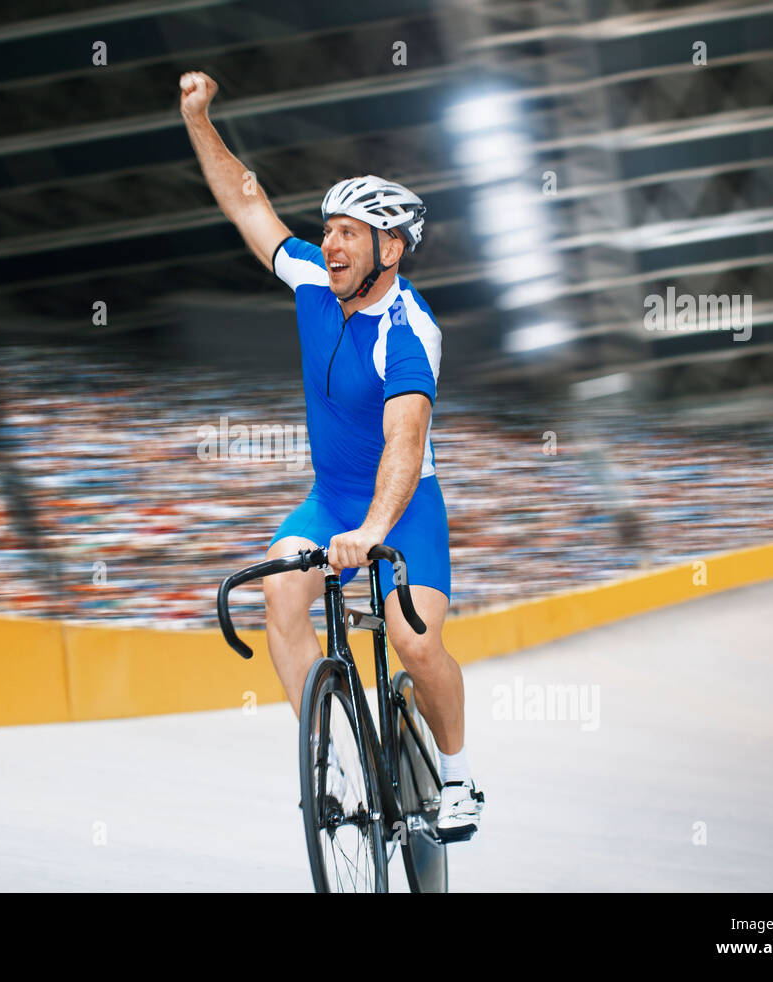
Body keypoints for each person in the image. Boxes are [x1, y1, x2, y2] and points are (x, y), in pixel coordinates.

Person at [180, 70, 483, 839]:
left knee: (414, 640)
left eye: (348, 231)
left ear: (391, 248)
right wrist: (197, 118)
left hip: (402, 508)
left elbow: (404, 448)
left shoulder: (409, 331)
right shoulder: (314, 277)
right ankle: (329, 751)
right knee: (281, 591)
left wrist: (377, 529)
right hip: (331, 499)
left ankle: (457, 778)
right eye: (329, 227)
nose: (330, 241)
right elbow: (247, 199)